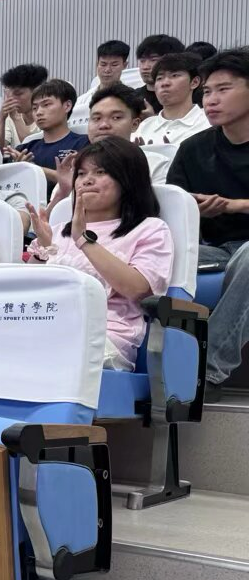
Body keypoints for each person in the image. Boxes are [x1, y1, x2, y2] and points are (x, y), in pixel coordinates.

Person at [25, 137, 173, 371]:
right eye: (81, 173)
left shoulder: (150, 229)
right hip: (47, 326)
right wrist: (44, 248)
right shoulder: (56, 231)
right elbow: (26, 291)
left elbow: (138, 289)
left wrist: (84, 240)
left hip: (104, 336)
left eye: (100, 172)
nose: (87, 180)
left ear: (127, 179)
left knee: (41, 357)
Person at [169, 49, 249, 397]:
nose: (211, 100)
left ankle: (206, 368)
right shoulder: (192, 149)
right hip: (213, 250)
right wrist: (195, 210)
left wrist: (236, 206)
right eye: (207, 92)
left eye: (224, 89)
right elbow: (172, 208)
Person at [8, 79, 89, 184]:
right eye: (34, 108)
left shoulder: (84, 144)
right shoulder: (24, 150)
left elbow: (80, 181)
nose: (39, 112)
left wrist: (32, 169)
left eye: (46, 105)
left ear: (67, 106)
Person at [87, 84, 170, 183]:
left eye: (116, 117)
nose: (104, 125)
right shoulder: (78, 165)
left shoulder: (156, 165)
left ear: (135, 124)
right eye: (97, 118)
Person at [134, 52, 210, 145]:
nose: (165, 83)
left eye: (174, 76)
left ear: (194, 82)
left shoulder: (209, 123)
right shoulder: (143, 127)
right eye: (160, 78)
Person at [0, 63, 49, 150]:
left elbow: (33, 149)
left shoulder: (48, 117)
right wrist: (1, 118)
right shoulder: (9, 118)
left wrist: (16, 118)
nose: (10, 98)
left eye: (18, 94)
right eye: (8, 93)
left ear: (37, 91)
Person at [74, 39, 136, 110]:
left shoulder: (132, 98)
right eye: (103, 64)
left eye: (114, 65)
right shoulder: (81, 101)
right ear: (97, 64)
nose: (107, 70)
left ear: (124, 65)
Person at [135, 34, 186, 112]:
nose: (145, 67)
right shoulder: (134, 97)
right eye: (142, 61)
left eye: (153, 60)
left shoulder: (186, 97)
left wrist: (152, 118)